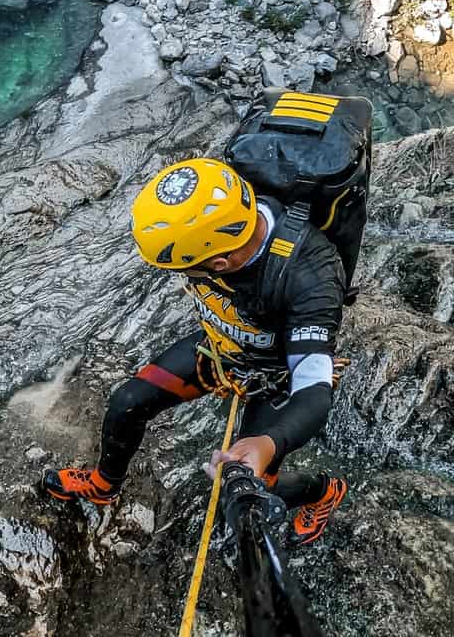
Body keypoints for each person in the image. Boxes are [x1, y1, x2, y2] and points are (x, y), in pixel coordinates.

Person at [43, 158, 349, 545]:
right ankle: (105, 484)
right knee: (128, 402)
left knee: (248, 489)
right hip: (223, 346)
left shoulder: (311, 277)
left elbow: (314, 392)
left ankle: (323, 491)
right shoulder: (234, 204)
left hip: (274, 377)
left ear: (220, 262)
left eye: (187, 270)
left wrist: (267, 443)